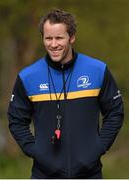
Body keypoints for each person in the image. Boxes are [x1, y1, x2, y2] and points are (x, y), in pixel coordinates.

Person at [7, 9, 124, 179]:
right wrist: (35, 150)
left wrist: (99, 146)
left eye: (59, 38)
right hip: (43, 175)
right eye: (48, 38)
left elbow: (115, 112)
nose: (53, 44)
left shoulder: (97, 70)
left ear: (72, 37)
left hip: (89, 174)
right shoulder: (28, 77)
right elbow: (16, 119)